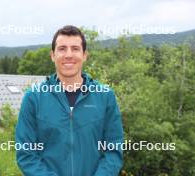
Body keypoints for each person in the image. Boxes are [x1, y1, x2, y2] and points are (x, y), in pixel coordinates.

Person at [16, 25, 124, 176]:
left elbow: (113, 151)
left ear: (85, 55)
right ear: (52, 55)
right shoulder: (34, 98)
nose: (68, 55)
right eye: (62, 49)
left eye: (75, 48)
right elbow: (26, 155)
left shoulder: (105, 97)